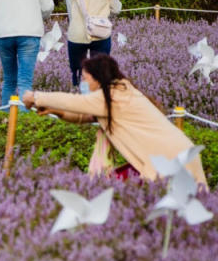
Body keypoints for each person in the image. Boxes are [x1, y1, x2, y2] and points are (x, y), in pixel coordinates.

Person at [22, 54, 207, 188]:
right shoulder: (121, 91)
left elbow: (73, 101)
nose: (84, 84)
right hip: (178, 152)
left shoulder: (111, 95)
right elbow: (83, 116)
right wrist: (56, 111)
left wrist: (35, 96)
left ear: (97, 78)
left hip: (168, 157)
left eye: (86, 79)